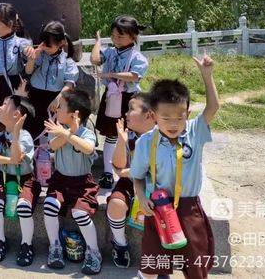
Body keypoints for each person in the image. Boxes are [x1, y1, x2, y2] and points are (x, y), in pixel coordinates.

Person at [130, 53, 219, 279]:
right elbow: (137, 176)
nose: (173, 124)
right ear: (153, 116)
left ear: (188, 114)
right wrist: (141, 197)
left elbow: (212, 108)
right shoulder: (145, 143)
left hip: (189, 209)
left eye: (179, 118)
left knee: (196, 267)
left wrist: (207, 76)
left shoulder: (194, 132)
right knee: (151, 265)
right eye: (166, 118)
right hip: (158, 208)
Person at [42, 90, 102, 275]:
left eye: (61, 107)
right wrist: (66, 132)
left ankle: (94, 252)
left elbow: (88, 148)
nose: (57, 109)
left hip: (82, 183)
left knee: (80, 213)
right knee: (49, 205)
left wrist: (69, 134)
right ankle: (55, 247)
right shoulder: (58, 129)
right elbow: (53, 145)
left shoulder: (87, 133)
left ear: (74, 114)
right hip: (60, 180)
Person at [92, 14, 149, 189]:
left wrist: (110, 74)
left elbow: (134, 76)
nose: (115, 39)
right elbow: (95, 59)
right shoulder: (110, 52)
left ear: (133, 36)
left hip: (129, 100)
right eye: (113, 35)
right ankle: (108, 172)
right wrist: (98, 42)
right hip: (112, 97)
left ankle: (132, 170)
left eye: (120, 36)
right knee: (111, 134)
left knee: (132, 134)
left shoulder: (137, 57)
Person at [0, 95, 39, 267]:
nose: (0, 107)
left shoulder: (25, 136)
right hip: (4, 178)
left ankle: (27, 244)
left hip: (25, 180)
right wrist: (10, 160)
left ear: (16, 114)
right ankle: (0, 240)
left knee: (24, 207)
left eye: (5, 104)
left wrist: (15, 137)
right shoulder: (0, 135)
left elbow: (18, 157)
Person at [106, 92, 154, 267]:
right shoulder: (129, 135)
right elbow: (118, 167)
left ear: (148, 115)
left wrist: (128, 171)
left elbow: (155, 170)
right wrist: (121, 140)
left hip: (156, 185)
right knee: (116, 203)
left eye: (131, 109)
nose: (125, 113)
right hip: (129, 182)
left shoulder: (161, 137)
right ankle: (120, 243)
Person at [0, 2, 31, 145]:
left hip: (15, 83)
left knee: (14, 112)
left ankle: (14, 142)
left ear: (10, 23)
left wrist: (30, 53)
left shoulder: (21, 43)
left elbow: (27, 60)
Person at [23, 20, 79, 139]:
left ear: (61, 43)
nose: (46, 48)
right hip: (35, 96)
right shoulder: (41, 56)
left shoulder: (67, 61)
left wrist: (59, 98)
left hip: (55, 98)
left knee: (51, 129)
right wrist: (32, 58)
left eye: (49, 46)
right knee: (33, 127)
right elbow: (28, 71)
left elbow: (70, 83)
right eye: (44, 44)